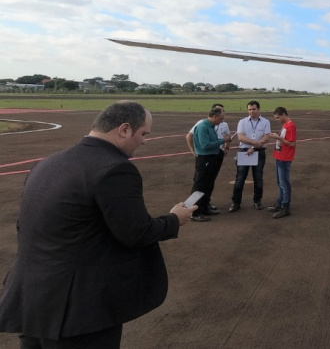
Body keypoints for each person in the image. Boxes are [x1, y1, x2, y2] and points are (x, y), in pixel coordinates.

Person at [0, 101, 195, 348]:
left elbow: (26, 226)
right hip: (79, 310)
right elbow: (135, 232)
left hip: (31, 299)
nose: (144, 141)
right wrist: (174, 219)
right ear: (124, 129)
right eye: (143, 133)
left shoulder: (47, 163)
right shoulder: (115, 169)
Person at [185, 103, 231, 212]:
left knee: (208, 184)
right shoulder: (203, 127)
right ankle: (193, 211)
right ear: (214, 117)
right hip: (205, 159)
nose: (222, 121)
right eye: (220, 119)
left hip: (212, 158)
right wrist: (223, 141)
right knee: (200, 185)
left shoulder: (210, 126)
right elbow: (205, 145)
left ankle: (204, 206)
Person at [229, 100, 271, 212]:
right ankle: (236, 202)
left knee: (258, 178)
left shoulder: (265, 122)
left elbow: (267, 136)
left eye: (254, 109)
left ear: (259, 109)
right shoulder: (242, 122)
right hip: (244, 151)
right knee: (240, 178)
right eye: (249, 109)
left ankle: (257, 201)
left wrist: (255, 147)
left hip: (259, 151)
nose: (251, 111)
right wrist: (254, 144)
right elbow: (240, 137)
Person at [265, 107, 296, 219]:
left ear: (283, 114)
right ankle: (280, 203)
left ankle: (285, 206)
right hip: (279, 156)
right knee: (280, 182)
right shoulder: (285, 125)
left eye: (278, 117)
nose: (277, 120)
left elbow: (292, 143)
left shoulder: (290, 125)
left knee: (284, 183)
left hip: (284, 158)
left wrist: (279, 138)